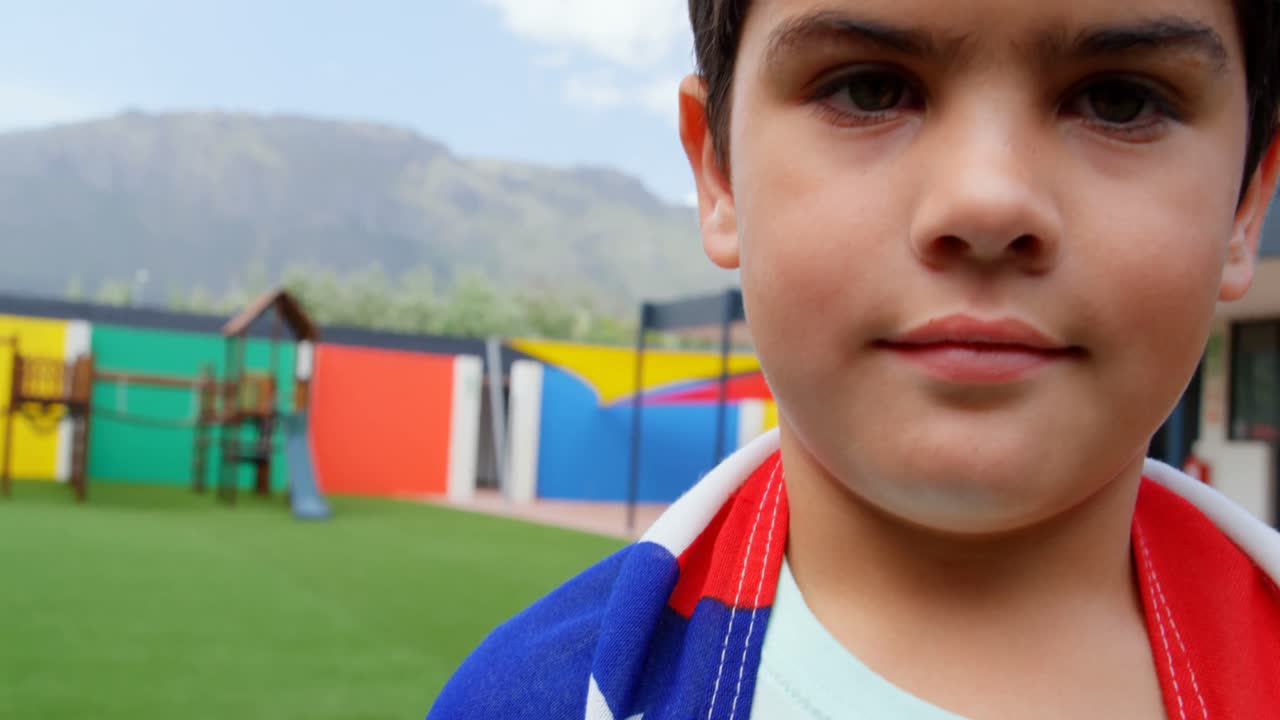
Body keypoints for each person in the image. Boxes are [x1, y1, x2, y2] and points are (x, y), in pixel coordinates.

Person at [429, 0, 1280, 717]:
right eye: (869, 88)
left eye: (1121, 102)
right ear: (718, 173)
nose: (986, 200)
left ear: (1247, 203)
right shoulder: (528, 697)